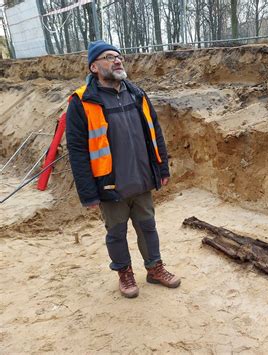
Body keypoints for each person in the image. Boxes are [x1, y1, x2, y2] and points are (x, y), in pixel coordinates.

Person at [66, 40, 180, 298]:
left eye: (119, 56)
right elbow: (77, 151)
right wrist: (88, 193)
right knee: (116, 232)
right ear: (94, 66)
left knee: (148, 226)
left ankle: (155, 268)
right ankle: (124, 273)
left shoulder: (136, 93)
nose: (117, 60)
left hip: (141, 179)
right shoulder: (81, 102)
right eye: (109, 57)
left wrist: (161, 169)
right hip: (110, 184)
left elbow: (155, 133)